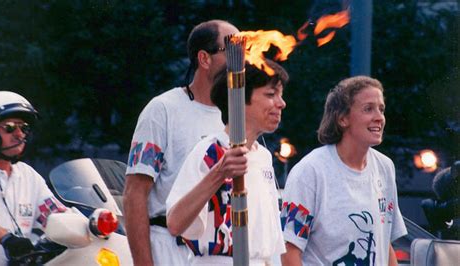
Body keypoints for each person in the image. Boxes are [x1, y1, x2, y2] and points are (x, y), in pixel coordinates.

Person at [123, 19, 239, 266]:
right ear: (204, 59)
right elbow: (135, 193)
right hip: (169, 246)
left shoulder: (238, 117)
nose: (241, 62)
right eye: (231, 51)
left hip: (218, 253)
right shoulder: (163, 110)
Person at [166, 60, 289, 265]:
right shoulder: (211, 151)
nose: (281, 103)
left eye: (281, 95)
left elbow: (266, 240)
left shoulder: (263, 157)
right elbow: (175, 223)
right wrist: (219, 173)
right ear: (238, 99)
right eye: (270, 94)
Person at [280, 76, 407, 266]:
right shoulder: (310, 171)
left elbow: (383, 242)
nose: (379, 117)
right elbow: (289, 252)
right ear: (342, 118)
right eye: (368, 109)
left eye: (381, 109)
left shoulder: (385, 167)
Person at [0, 91, 67, 265]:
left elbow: (53, 212)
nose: (19, 134)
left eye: (23, 127)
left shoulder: (28, 175)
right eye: (9, 127)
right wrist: (5, 238)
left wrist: (88, 225)